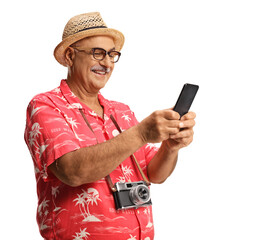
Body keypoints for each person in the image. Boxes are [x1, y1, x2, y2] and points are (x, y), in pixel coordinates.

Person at [24, 12, 196, 240]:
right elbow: (73, 171)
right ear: (70, 55)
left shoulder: (121, 111)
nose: (106, 63)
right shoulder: (46, 106)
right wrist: (142, 132)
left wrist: (171, 147)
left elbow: (154, 174)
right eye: (97, 53)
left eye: (112, 55)